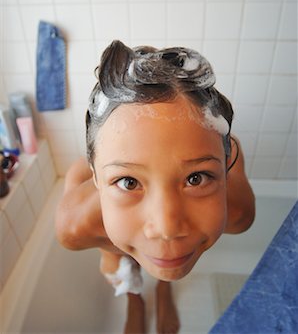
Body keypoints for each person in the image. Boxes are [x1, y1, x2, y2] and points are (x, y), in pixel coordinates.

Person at [55, 40, 255, 334]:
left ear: (224, 169)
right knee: (118, 262)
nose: (166, 226)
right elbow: (77, 170)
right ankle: (134, 299)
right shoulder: (75, 226)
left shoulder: (239, 212)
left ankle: (164, 288)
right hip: (107, 235)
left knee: (166, 250)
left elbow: (232, 145)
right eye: (129, 181)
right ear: (96, 177)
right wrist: (116, 260)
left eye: (196, 178)